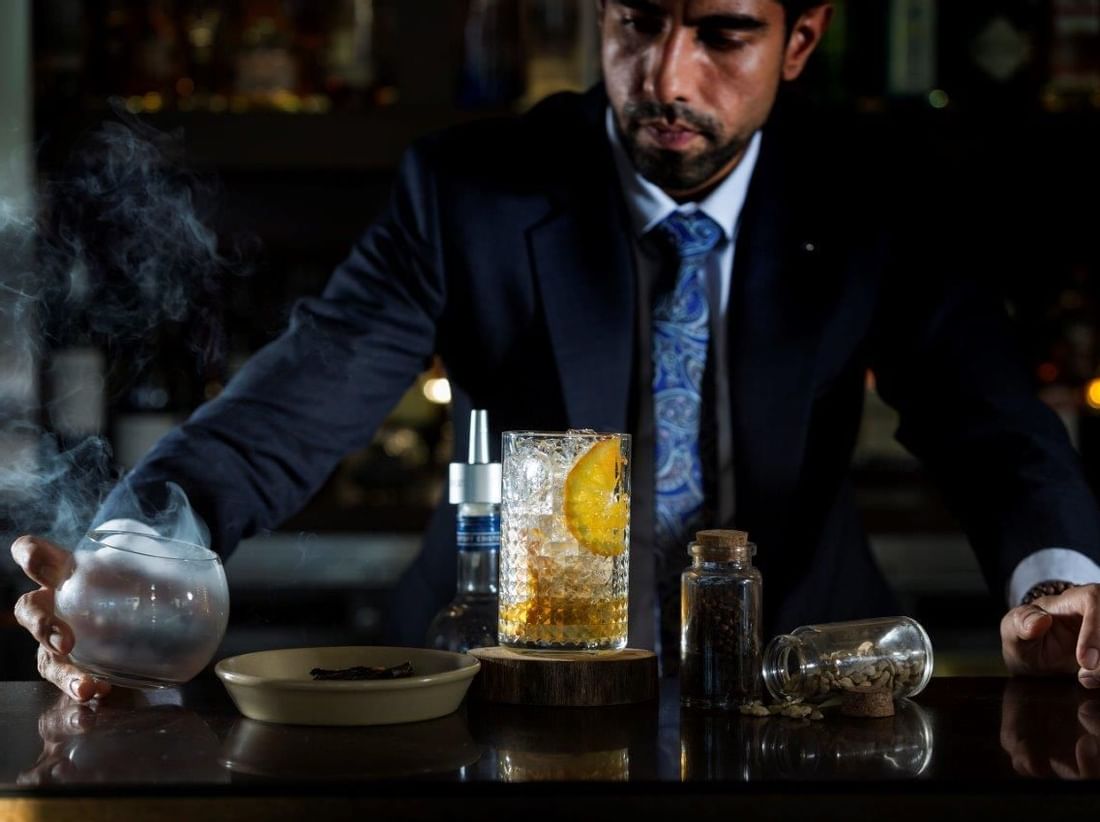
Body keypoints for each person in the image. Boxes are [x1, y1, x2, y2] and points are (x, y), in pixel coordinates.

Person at [11, 0, 1100, 702]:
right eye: (636, 21)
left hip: (800, 683)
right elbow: (292, 403)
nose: (665, 77)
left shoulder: (875, 198)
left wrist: (1056, 586)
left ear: (799, 40)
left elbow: (989, 421)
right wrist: (135, 553)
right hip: (493, 683)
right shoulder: (469, 190)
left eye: (721, 35)